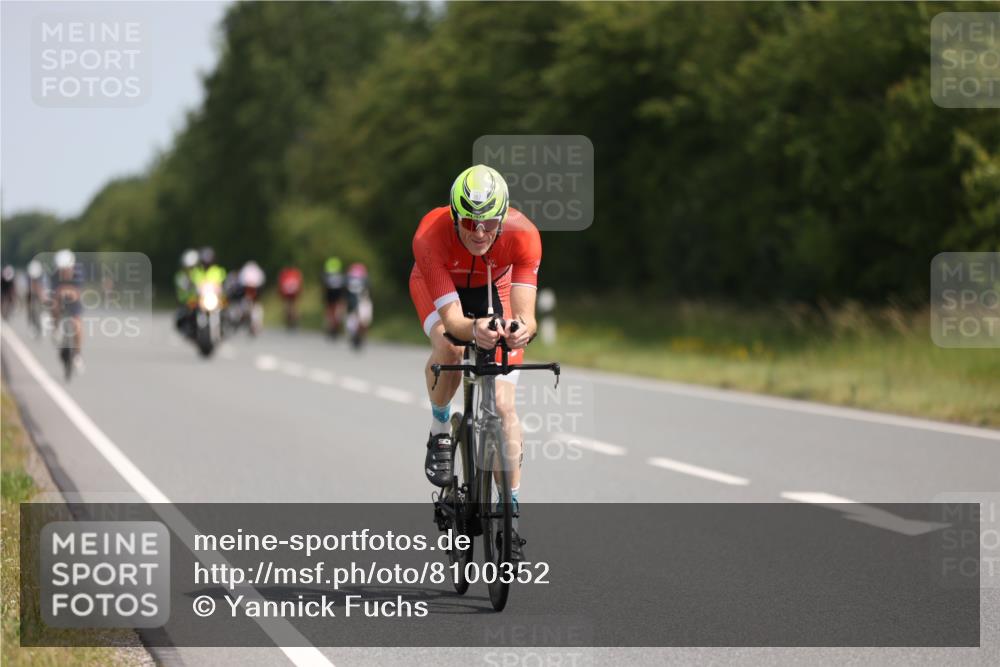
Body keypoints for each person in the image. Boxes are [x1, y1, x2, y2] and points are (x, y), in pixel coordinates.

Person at [410, 164, 541, 558]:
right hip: (441, 285)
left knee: (503, 406)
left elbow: (527, 317)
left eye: (488, 223)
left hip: (493, 286)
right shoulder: (429, 236)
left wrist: (520, 330)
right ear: (455, 216)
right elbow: (452, 322)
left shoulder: (525, 237)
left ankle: (510, 512)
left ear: (502, 218)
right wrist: (473, 331)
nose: (478, 232)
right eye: (468, 221)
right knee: (449, 347)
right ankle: (440, 428)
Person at [51, 249, 84, 372]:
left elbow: (78, 292)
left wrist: (67, 291)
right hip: (59, 298)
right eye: (61, 270)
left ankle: (77, 354)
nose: (64, 272)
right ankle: (56, 328)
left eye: (66, 269)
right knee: (54, 305)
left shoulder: (78, 272)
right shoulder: (54, 274)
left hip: (74, 299)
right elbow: (54, 293)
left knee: (77, 322)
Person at [345, 262, 372, 347]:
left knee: (358, 320)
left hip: (358, 301)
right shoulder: (365, 279)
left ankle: (358, 336)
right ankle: (359, 336)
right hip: (358, 301)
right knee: (361, 320)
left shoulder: (349, 279)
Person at [174, 249, 199, 335]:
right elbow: (183, 290)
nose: (190, 269)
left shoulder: (199, 274)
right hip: (187, 303)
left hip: (201, 301)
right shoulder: (181, 276)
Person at [322, 256, 346, 337]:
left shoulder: (327, 275)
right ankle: (335, 325)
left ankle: (331, 325)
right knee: (337, 310)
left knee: (330, 310)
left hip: (330, 294)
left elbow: (324, 286)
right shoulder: (340, 275)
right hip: (337, 294)